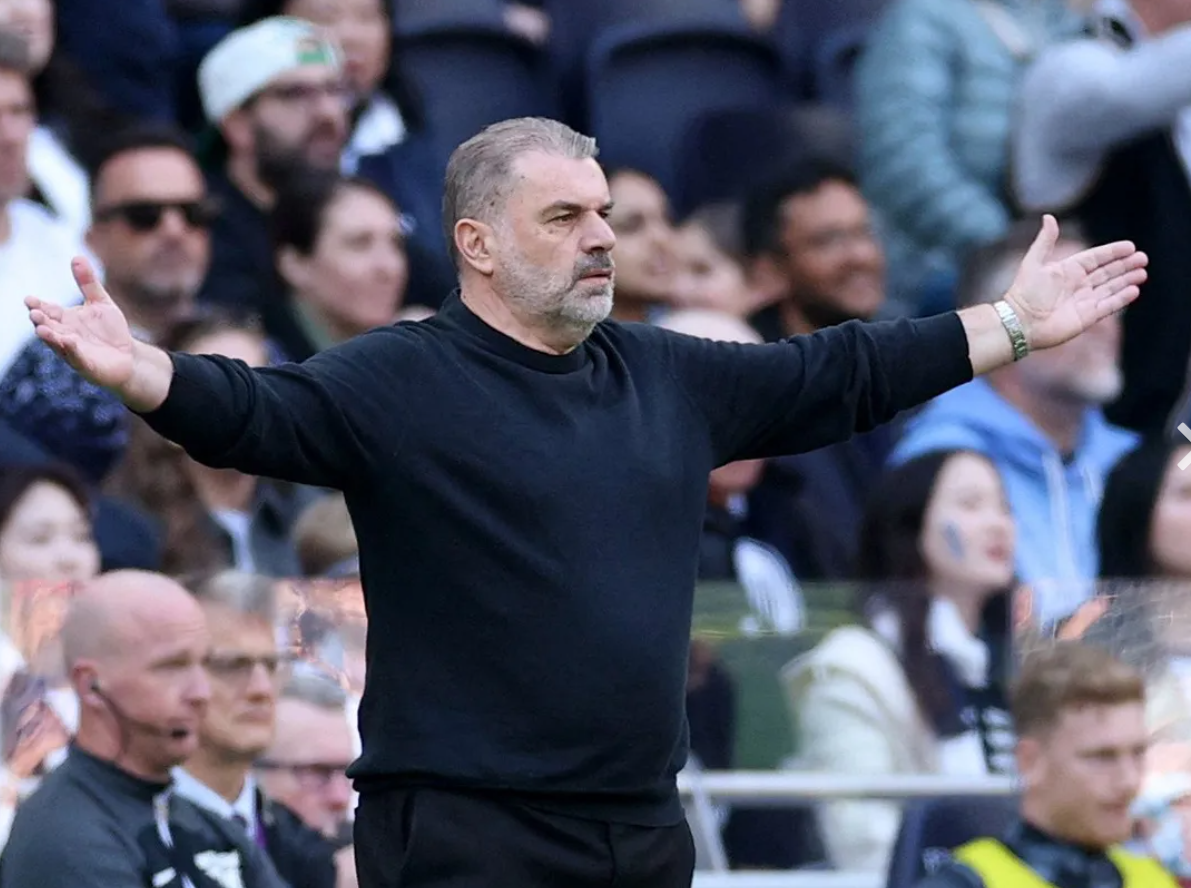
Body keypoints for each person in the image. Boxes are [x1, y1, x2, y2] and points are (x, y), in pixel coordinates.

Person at [23, 116, 1148, 888]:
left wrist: (1011, 326)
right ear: (477, 245)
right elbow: (254, 413)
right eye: (563, 218)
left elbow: (839, 372)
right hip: (466, 834)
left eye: (602, 212)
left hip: (642, 828)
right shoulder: (401, 378)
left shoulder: (664, 373)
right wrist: (143, 372)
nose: (603, 236)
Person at [786, 448, 1017, 872]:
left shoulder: (1015, 662)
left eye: (1005, 506)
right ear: (910, 528)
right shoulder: (852, 667)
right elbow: (864, 844)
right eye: (971, 504)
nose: (998, 523)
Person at [0, 570, 288, 888]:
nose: (201, 692)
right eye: (172, 667)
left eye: (203, 664)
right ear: (91, 685)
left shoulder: (211, 827)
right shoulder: (65, 836)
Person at [911, 640, 1179, 888]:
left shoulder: (1155, 879)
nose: (1129, 780)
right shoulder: (966, 883)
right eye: (1102, 757)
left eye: (1137, 754)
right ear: (1029, 761)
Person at [173, 569, 344, 888]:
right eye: (231, 665)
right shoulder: (124, 829)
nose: (261, 689)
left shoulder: (300, 844)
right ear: (170, 673)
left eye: (271, 665)